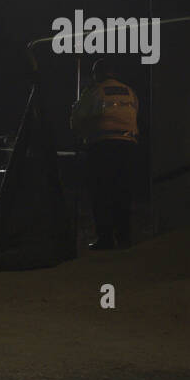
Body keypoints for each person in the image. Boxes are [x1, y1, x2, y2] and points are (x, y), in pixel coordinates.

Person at [70, 59, 139, 250]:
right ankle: (124, 237)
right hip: (128, 147)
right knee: (123, 193)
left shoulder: (95, 92)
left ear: (97, 74)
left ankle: (106, 239)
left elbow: (77, 120)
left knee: (101, 194)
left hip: (102, 148)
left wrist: (78, 104)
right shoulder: (130, 92)